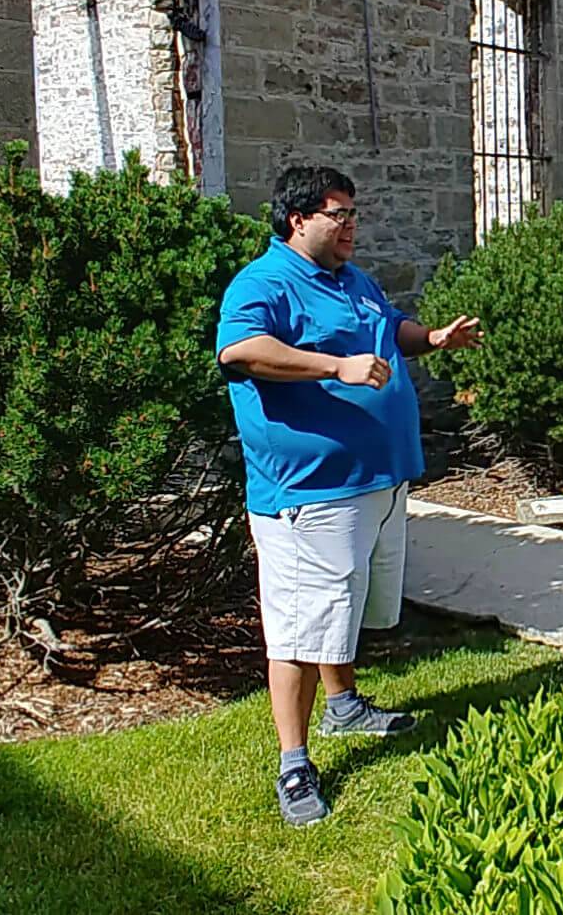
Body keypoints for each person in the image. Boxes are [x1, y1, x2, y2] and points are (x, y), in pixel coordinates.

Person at [215, 165, 483, 827]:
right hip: (309, 492)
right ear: (298, 219)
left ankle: (345, 706)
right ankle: (294, 763)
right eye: (339, 214)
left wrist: (435, 338)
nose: (351, 225)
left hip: (376, 482)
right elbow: (241, 351)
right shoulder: (264, 283)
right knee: (301, 629)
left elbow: (389, 330)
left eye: (353, 214)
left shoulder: (352, 281)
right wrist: (336, 366)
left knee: (341, 605)